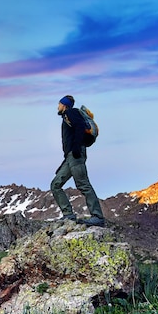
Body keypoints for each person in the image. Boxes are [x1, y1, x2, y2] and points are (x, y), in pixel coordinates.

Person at [50, 95, 105, 226]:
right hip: (70, 157)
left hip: (76, 154)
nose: (57, 106)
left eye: (59, 104)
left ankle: (97, 217)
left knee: (83, 184)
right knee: (55, 185)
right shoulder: (66, 117)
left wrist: (76, 148)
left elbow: (80, 126)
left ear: (64, 105)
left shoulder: (70, 112)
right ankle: (68, 215)